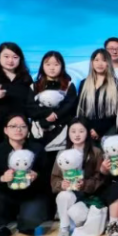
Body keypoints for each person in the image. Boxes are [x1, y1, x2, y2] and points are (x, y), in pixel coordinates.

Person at [0, 114, 49, 236]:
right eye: (13, 126)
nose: (18, 129)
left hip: (31, 195)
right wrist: (2, 178)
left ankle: (23, 222)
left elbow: (47, 177)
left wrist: (37, 176)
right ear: (6, 130)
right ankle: (0, 228)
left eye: (23, 126)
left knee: (30, 222)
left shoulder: (37, 149)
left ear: (28, 129)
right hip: (6, 196)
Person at [51, 118, 106, 236]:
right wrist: (61, 184)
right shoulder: (62, 154)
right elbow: (54, 178)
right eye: (73, 131)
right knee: (63, 195)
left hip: (88, 197)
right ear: (68, 133)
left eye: (81, 131)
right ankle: (64, 227)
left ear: (87, 133)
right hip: (70, 194)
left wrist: (85, 184)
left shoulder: (96, 153)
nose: (77, 135)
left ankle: (78, 222)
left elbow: (100, 178)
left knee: (77, 214)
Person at [29, 51, 78, 184]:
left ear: (62, 66)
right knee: (39, 170)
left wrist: (56, 115)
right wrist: (46, 115)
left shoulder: (68, 85)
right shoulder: (34, 86)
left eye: (56, 64)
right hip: (38, 134)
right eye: (48, 64)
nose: (52, 68)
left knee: (59, 171)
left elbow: (70, 105)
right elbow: (30, 107)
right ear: (42, 66)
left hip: (61, 135)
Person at [76, 49, 118, 143]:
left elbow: (117, 112)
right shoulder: (84, 83)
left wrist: (98, 130)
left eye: (104, 60)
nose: (100, 63)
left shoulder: (116, 84)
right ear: (92, 63)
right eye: (96, 60)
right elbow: (81, 109)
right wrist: (89, 128)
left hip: (109, 129)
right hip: (87, 129)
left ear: (108, 63)